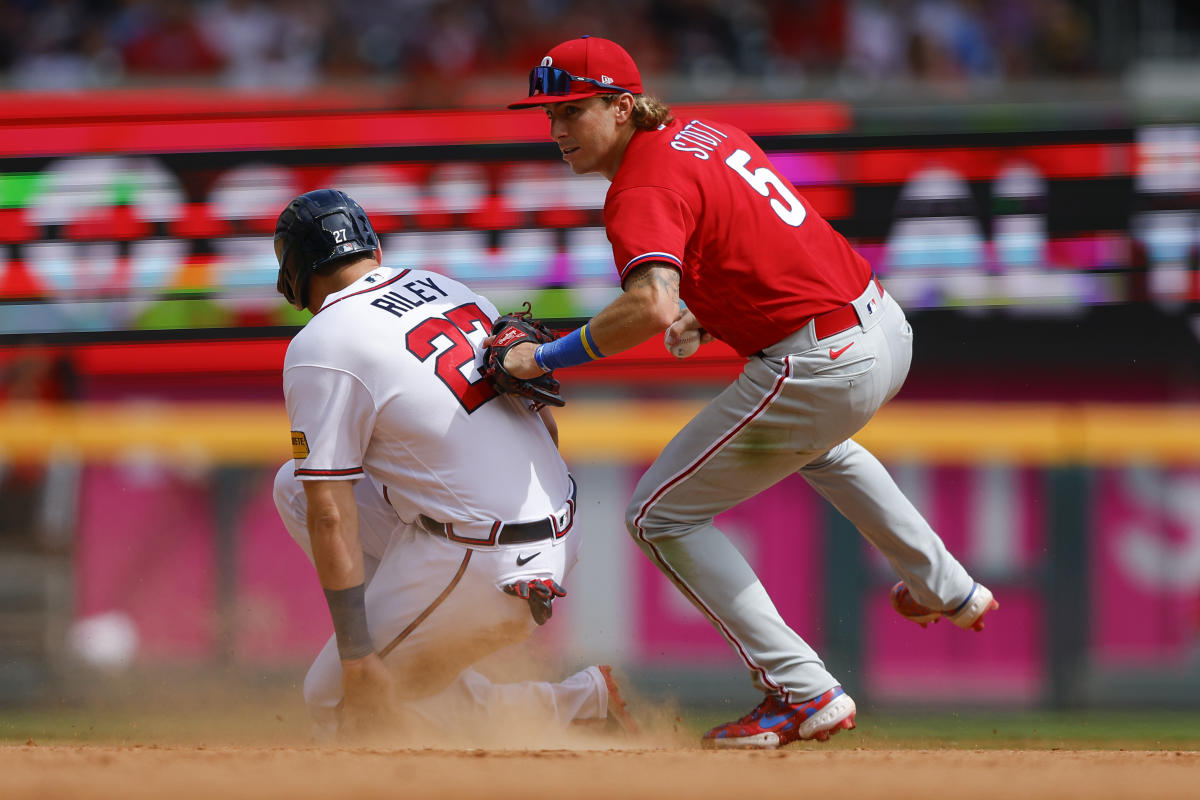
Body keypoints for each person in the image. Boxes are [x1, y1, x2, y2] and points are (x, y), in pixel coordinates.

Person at [503, 36, 998, 749]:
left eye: (573, 111)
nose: (555, 130)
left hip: (821, 360)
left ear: (620, 104)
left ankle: (802, 691)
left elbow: (648, 306)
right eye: (548, 114)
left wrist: (544, 356)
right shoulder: (701, 132)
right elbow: (762, 237)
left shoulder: (639, 186)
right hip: (882, 326)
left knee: (657, 517)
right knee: (821, 449)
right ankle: (945, 587)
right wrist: (713, 314)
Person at [270, 188, 636, 741]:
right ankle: (583, 702)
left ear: (295, 274)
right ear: (369, 244)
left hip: (486, 560)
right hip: (559, 525)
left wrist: (356, 652)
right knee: (292, 484)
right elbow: (542, 418)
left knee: (340, 695)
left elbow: (331, 513)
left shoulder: (322, 341)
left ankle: (556, 706)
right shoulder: (446, 287)